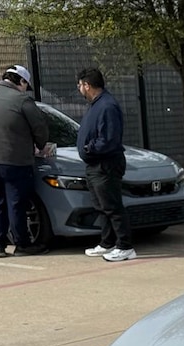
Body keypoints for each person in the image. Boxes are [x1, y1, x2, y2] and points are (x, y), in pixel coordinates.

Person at [0, 64, 50, 257]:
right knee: (17, 203)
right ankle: (22, 244)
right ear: (21, 81)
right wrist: (41, 146)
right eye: (26, 84)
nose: (26, 89)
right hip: (14, 160)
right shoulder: (22, 99)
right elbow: (39, 128)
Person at [75, 67, 136, 261]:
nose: (79, 88)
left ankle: (125, 246)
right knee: (101, 206)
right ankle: (107, 242)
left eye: (80, 85)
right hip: (95, 165)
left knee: (112, 205)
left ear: (87, 85)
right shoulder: (96, 104)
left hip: (105, 164)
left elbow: (109, 139)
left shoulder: (107, 106)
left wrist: (89, 148)